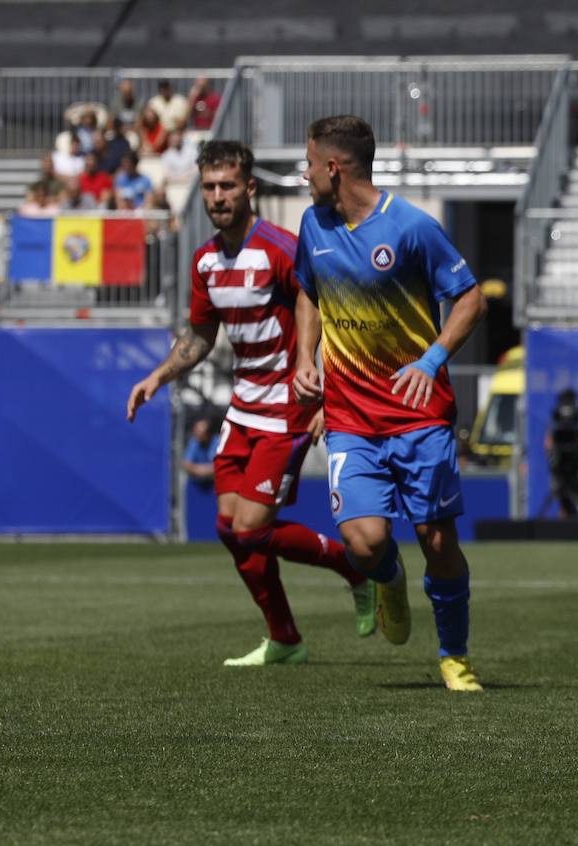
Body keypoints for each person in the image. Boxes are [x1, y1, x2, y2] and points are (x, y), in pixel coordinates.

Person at [126, 139, 374, 667]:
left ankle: (352, 567)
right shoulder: (206, 262)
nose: (218, 196)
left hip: (288, 407)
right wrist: (158, 376)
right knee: (228, 528)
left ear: (250, 188)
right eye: (210, 186)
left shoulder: (281, 249)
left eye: (228, 185)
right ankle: (284, 637)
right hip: (242, 409)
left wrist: (330, 396)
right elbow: (198, 337)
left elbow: (330, 318)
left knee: (252, 529)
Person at [291, 115, 488, 693]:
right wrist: (307, 358)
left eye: (309, 164)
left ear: (334, 167)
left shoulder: (410, 228)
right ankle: (389, 579)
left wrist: (431, 361)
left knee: (438, 541)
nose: (304, 176)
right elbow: (307, 290)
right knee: (366, 541)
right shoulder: (313, 224)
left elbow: (469, 298)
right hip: (350, 416)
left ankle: (454, 656)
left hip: (418, 415)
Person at [544, 388, 578, 518]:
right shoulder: (555, 419)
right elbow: (548, 443)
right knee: (564, 502)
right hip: (563, 465)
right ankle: (564, 532)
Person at [182, 417, 220, 489]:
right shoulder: (194, 442)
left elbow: (220, 466)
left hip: (214, 486)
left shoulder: (218, 442)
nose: (197, 435)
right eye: (196, 432)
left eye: (200, 433)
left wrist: (199, 469)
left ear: (209, 434)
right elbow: (186, 464)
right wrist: (205, 470)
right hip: (196, 485)